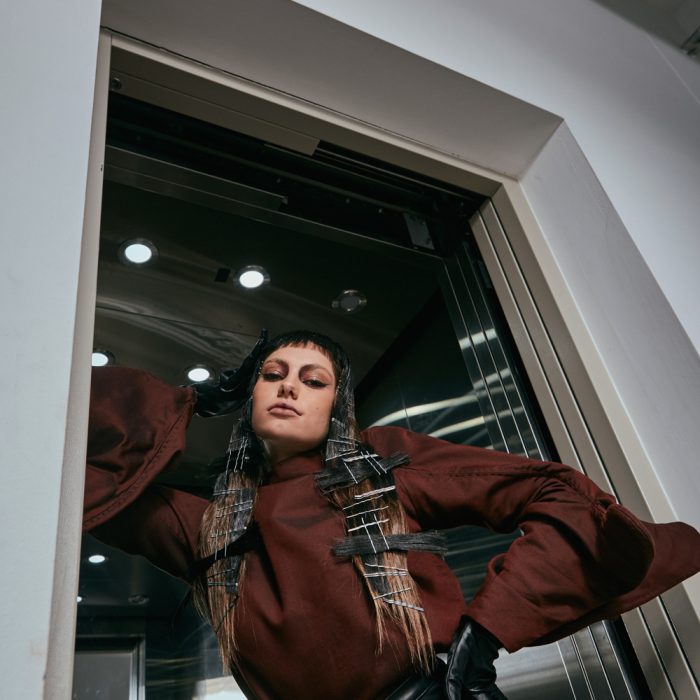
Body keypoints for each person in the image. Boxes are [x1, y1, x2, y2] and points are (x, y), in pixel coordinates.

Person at [84, 330, 700, 700]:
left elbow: (559, 495)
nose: (288, 387)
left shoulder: (377, 465)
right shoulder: (206, 527)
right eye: (271, 376)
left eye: (313, 380)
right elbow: (65, 468)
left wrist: (484, 636)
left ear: (337, 407)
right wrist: (193, 398)